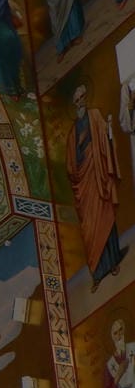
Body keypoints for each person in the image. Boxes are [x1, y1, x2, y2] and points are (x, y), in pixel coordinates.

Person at [69, 83, 123, 289]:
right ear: (74, 104)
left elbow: (105, 140)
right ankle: (98, 272)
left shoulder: (95, 116)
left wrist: (109, 130)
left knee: (105, 218)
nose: (80, 101)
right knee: (91, 228)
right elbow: (70, 163)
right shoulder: (73, 132)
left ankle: (113, 262)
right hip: (85, 185)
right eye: (77, 99)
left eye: (82, 97)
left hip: (99, 178)